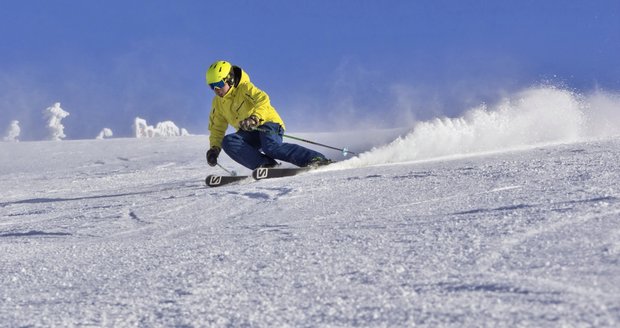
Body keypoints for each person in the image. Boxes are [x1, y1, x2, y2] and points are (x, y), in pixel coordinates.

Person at [205, 60, 331, 170]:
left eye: (220, 84)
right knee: (228, 141)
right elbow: (217, 128)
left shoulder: (245, 88)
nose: (217, 89)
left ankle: (315, 159)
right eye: (212, 86)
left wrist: (255, 118)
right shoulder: (217, 103)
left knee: (271, 147)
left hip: (267, 123)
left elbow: (263, 100)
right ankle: (266, 165)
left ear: (230, 78)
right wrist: (214, 149)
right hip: (250, 132)